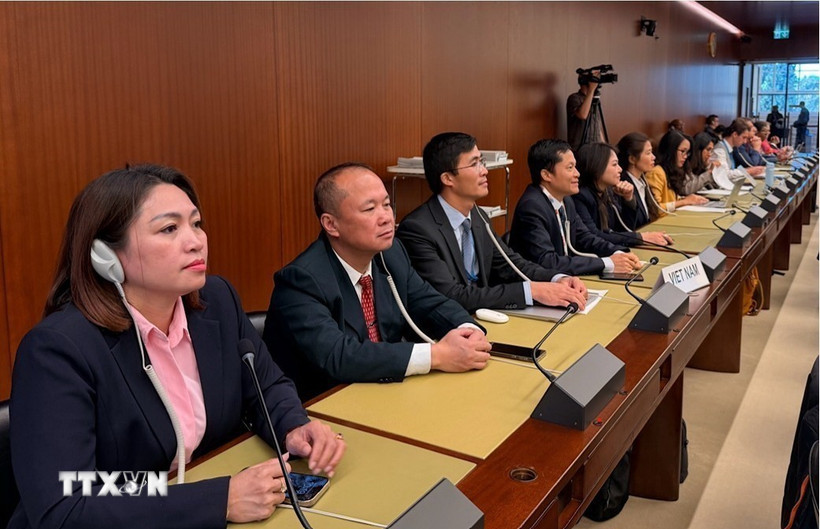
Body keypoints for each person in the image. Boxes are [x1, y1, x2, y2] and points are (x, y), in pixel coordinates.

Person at [9, 165, 346, 528]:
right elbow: (66, 504)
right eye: (169, 228)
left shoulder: (217, 300)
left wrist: (293, 426)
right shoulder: (58, 349)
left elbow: (267, 387)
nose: (196, 241)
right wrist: (219, 501)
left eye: (196, 224)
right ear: (105, 256)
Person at [264, 163, 491, 402]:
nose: (386, 218)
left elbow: (431, 304)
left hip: (386, 393)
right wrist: (437, 355)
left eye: (386, 204)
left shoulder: (391, 255)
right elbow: (339, 355)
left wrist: (469, 332)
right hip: (324, 405)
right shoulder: (301, 280)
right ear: (331, 224)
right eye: (370, 209)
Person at [396, 132, 587, 314]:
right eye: (474, 164)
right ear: (448, 178)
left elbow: (509, 264)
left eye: (482, 162)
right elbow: (451, 295)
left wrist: (558, 278)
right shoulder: (418, 229)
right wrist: (531, 291)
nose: (484, 171)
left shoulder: (478, 216)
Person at [509, 139, 641, 276]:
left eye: (575, 167)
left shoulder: (566, 200)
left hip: (566, 279)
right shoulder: (532, 207)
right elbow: (547, 262)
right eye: (570, 167)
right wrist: (607, 263)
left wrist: (619, 253)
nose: (577, 173)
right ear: (546, 175)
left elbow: (585, 238)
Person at [574, 142, 673, 248]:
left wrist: (628, 199)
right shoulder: (581, 196)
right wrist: (640, 237)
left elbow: (625, 228)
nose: (620, 169)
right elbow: (594, 236)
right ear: (597, 166)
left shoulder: (608, 192)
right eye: (614, 164)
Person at [644, 130, 709, 216]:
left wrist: (690, 199)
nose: (685, 156)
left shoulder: (672, 171)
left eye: (687, 152)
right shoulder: (656, 172)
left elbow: (672, 200)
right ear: (671, 150)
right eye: (682, 151)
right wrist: (684, 201)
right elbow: (656, 208)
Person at [616, 132, 661, 227]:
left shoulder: (643, 181)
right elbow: (629, 225)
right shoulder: (623, 185)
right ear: (632, 159)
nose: (653, 157)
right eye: (648, 153)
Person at [566, 72, 605, 151]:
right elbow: (583, 115)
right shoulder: (574, 98)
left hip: (595, 146)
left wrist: (604, 146)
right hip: (580, 147)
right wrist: (591, 90)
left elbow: (597, 125)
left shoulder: (595, 101)